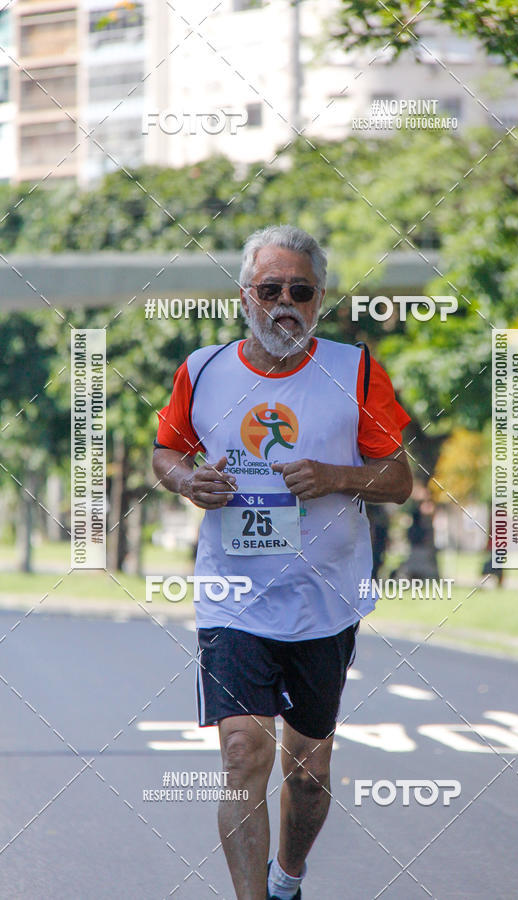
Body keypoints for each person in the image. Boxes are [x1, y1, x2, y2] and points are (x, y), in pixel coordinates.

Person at [152, 225, 412, 900]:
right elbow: (166, 452)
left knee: (307, 773)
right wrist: (187, 481)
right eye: (271, 290)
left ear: (320, 298)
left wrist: (334, 474)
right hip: (234, 594)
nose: (284, 303)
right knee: (244, 754)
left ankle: (288, 877)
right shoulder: (203, 369)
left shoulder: (353, 369)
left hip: (325, 599)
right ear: (245, 295)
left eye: (300, 290)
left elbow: (399, 478)